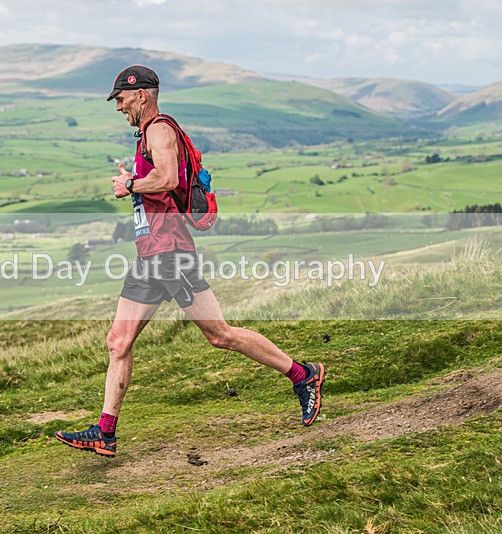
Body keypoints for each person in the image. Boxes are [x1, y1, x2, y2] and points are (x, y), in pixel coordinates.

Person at [55, 65, 325, 457]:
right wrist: (136, 181)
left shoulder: (159, 129)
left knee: (219, 334)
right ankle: (105, 432)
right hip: (151, 255)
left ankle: (304, 375)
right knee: (118, 341)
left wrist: (130, 184)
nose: (118, 107)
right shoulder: (149, 134)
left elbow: (166, 178)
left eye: (121, 99)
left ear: (141, 95)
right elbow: (160, 184)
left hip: (170, 253)